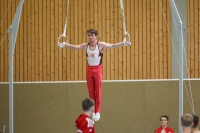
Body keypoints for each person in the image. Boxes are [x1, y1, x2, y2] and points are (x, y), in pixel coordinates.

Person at [58, 29, 131, 121]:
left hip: (98, 70)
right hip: (89, 70)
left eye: (92, 35)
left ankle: (98, 111)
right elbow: (75, 47)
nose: (90, 37)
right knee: (91, 92)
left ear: (96, 36)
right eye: (89, 35)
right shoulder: (86, 46)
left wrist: (123, 43)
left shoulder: (100, 45)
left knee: (98, 92)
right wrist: (65, 45)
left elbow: (112, 45)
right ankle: (93, 110)